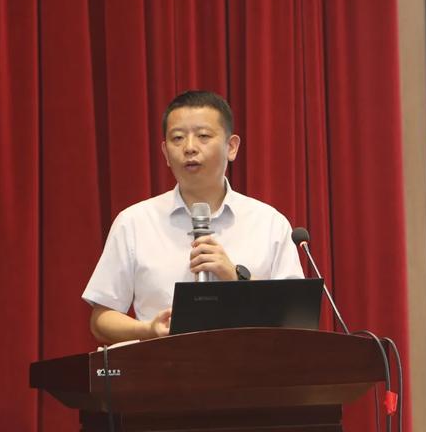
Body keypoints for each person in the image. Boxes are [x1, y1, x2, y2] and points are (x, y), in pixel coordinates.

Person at [82, 90, 303, 344]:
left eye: (203, 136)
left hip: (250, 367)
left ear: (231, 147)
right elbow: (101, 318)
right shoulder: (134, 222)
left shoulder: (269, 224)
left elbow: (295, 319)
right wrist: (148, 329)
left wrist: (236, 278)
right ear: (165, 153)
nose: (189, 148)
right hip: (163, 366)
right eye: (177, 138)